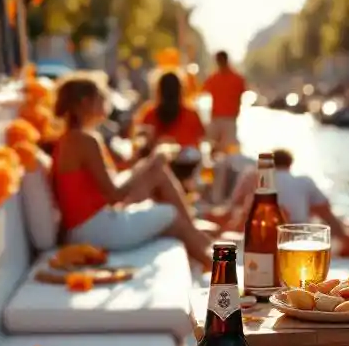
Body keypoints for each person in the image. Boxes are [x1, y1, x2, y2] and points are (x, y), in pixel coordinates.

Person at [51, 72, 214, 266]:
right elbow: (114, 195)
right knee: (172, 215)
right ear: (86, 103)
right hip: (95, 230)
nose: (107, 105)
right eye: (102, 99)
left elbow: (108, 180)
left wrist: (147, 162)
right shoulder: (84, 140)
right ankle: (219, 270)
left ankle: (203, 247)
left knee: (159, 175)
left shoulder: (73, 138)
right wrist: (154, 159)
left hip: (87, 227)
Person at [220, 149, 349, 255]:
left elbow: (235, 207)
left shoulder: (252, 176)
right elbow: (326, 212)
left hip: (260, 237)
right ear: (290, 164)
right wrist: (343, 237)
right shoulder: (303, 181)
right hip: (297, 238)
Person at [133, 70, 206, 150]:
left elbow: (138, 144)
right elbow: (200, 140)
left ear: (158, 91)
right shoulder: (192, 115)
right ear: (180, 91)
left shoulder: (148, 114)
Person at [202, 50, 246, 151]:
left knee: (219, 148)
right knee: (222, 148)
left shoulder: (214, 78)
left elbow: (203, 89)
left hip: (223, 118)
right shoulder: (237, 78)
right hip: (225, 118)